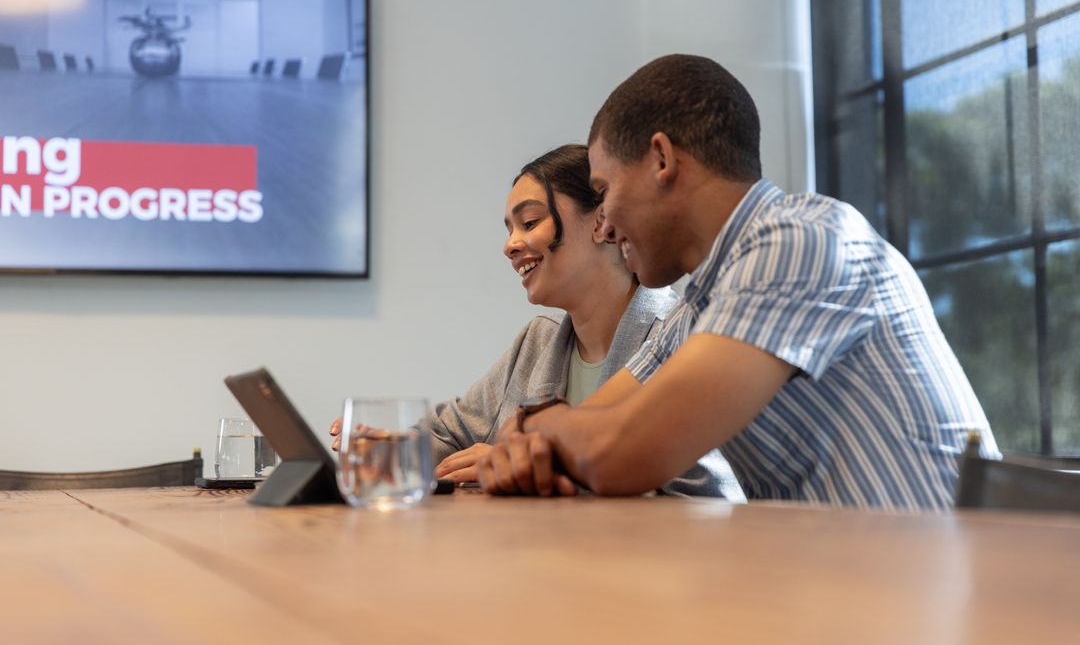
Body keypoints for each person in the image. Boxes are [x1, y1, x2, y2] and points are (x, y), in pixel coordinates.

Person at [476, 54, 999, 510]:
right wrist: (539, 439)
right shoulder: (699, 309)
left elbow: (622, 451)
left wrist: (534, 429)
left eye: (604, 188)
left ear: (662, 159)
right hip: (847, 588)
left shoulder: (800, 240)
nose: (605, 225)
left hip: (946, 597)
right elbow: (599, 420)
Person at [330, 143, 742, 499]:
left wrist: (533, 469)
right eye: (510, 229)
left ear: (602, 221)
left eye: (529, 223)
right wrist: (393, 448)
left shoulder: (684, 334)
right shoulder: (537, 343)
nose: (510, 245)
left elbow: (701, 496)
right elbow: (449, 435)